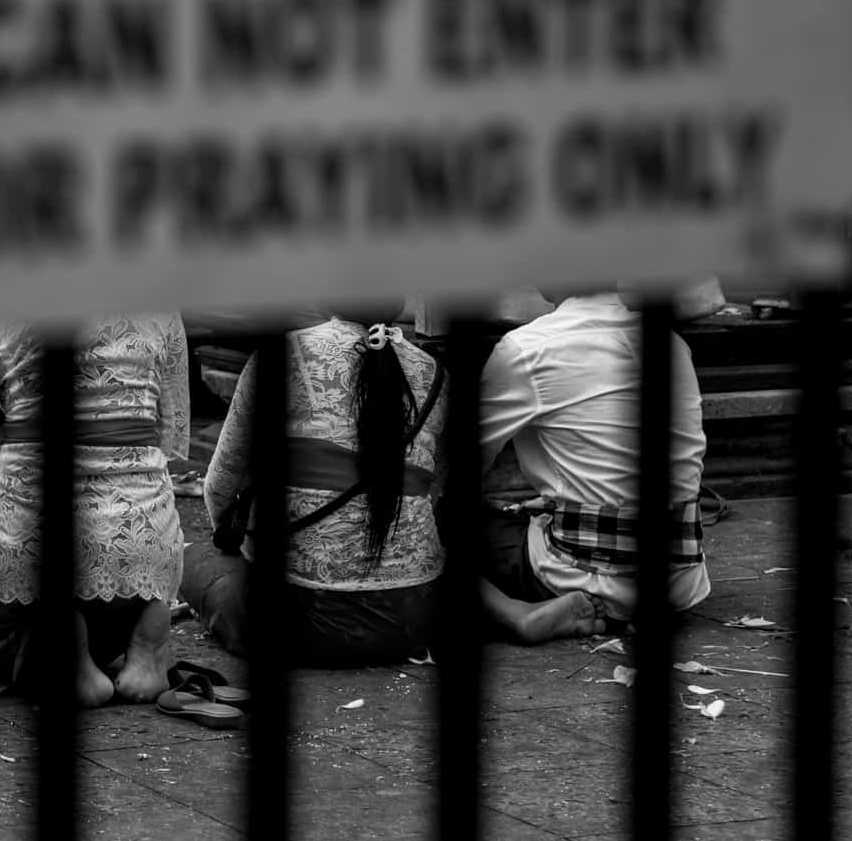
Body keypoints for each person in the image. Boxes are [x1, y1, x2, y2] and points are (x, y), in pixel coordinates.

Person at [0, 316, 189, 707]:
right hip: (148, 538)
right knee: (118, 585)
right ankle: (145, 637)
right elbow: (174, 435)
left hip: (30, 531)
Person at [186, 307, 447, 665]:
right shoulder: (435, 374)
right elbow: (437, 486)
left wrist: (229, 540)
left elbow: (219, 487)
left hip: (304, 619)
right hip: (414, 617)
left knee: (191, 564)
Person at [474, 283, 714, 641]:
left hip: (581, 580)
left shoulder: (527, 349)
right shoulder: (673, 345)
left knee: (431, 521)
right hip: (678, 584)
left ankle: (518, 615)